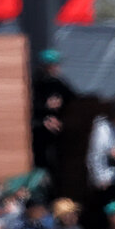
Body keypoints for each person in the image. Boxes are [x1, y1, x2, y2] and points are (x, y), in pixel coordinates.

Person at [31, 49, 76, 178]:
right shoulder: (36, 84)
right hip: (40, 131)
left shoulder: (60, 84)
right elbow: (29, 107)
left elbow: (73, 103)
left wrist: (62, 120)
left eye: (56, 64)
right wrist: (45, 109)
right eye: (52, 65)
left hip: (58, 133)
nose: (55, 68)